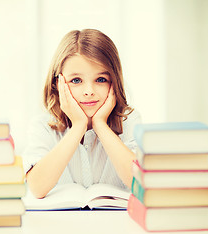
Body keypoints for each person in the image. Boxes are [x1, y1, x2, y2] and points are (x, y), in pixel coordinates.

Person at [22, 29, 141, 199]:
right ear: (58, 83)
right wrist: (79, 126)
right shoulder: (43, 126)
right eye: (76, 81)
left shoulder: (130, 121)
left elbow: (140, 182)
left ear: (114, 82)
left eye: (101, 80)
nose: (89, 91)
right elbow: (37, 187)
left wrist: (100, 124)